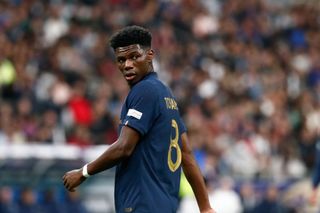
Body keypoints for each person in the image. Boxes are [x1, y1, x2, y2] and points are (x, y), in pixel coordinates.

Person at [62, 25, 215, 213]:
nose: (127, 65)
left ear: (150, 55)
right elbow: (187, 154)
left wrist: (83, 172)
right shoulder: (166, 95)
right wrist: (205, 207)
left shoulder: (144, 91)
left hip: (141, 204)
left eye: (134, 56)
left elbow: (124, 147)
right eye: (121, 60)